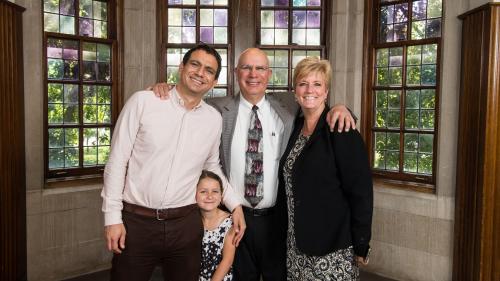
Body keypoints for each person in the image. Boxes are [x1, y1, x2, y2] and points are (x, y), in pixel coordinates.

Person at [151, 47, 356, 281]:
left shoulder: (289, 104)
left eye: (260, 68)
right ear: (236, 72)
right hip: (235, 218)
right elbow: (187, 97)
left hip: (277, 219)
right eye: (246, 68)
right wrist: (164, 89)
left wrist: (342, 108)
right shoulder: (217, 108)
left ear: (269, 74)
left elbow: (315, 99)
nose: (253, 74)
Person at [101, 44, 245, 281]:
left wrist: (235, 205)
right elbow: (117, 161)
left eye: (209, 70)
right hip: (137, 223)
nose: (200, 73)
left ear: (214, 81)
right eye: (195, 65)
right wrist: (112, 218)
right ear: (181, 67)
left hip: (185, 224)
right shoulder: (143, 102)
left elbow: (211, 167)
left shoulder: (213, 119)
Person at [277, 57, 373, 280]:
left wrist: (361, 242)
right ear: (295, 90)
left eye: (317, 84)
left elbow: (361, 192)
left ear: (326, 91)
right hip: (295, 246)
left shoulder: (341, 129)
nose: (310, 90)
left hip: (332, 247)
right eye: (303, 83)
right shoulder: (295, 127)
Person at [197, 170, 236, 281]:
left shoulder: (230, 222)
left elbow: (227, 260)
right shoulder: (191, 220)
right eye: (203, 191)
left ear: (221, 196)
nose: (209, 196)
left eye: (215, 191)